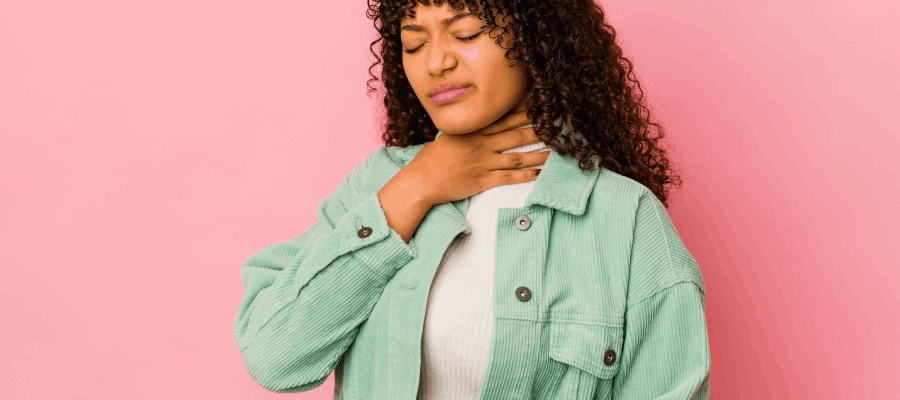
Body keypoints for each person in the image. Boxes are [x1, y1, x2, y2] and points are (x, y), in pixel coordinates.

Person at [233, 0, 711, 399]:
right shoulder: (379, 185)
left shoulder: (625, 219)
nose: (436, 62)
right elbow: (275, 357)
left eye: (465, 33)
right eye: (414, 43)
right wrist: (417, 187)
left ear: (535, 38)